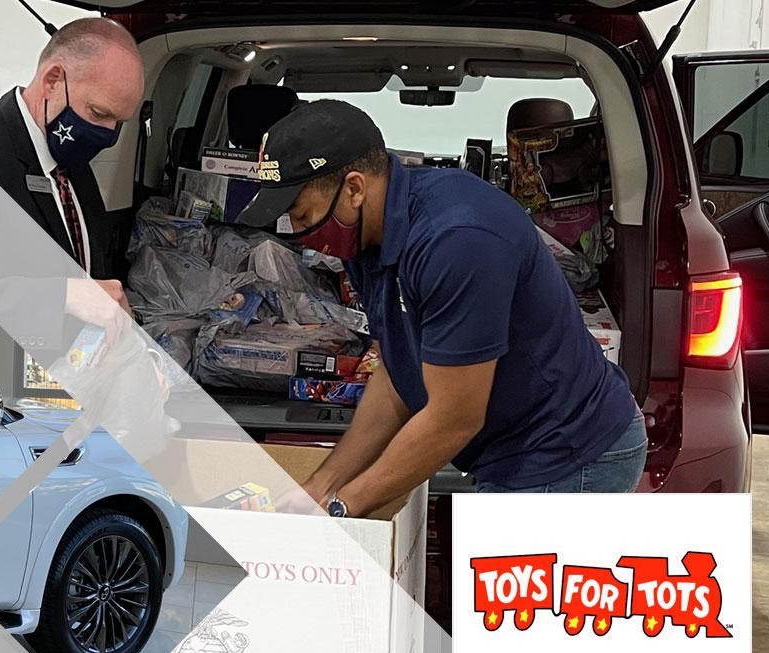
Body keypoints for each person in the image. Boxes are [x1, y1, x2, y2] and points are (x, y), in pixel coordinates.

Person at [237, 100, 647, 517]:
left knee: (502, 579)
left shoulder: (456, 239)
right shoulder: (365, 235)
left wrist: (342, 507)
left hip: (570, 452)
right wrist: (318, 488)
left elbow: (454, 419)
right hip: (510, 447)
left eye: (300, 213)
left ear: (355, 188)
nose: (297, 231)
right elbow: (397, 372)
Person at [0, 16, 143, 319]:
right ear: (52, 81)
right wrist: (64, 296)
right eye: (99, 113)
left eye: (119, 123)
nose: (108, 135)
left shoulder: (71, 159)